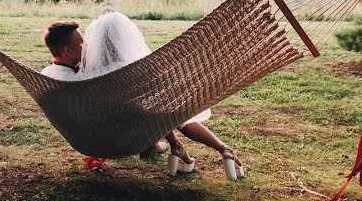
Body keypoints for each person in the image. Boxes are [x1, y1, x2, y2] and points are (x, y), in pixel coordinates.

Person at [41, 15, 243, 176]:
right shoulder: (85, 82)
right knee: (166, 111)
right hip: (119, 133)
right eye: (82, 44)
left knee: (155, 108)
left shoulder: (48, 76)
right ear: (66, 50)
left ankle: (178, 148)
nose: (87, 48)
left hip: (97, 133)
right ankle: (221, 149)